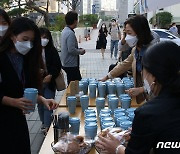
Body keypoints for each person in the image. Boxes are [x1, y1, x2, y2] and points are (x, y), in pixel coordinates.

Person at [96, 41, 180, 154]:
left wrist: (117, 148)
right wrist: (142, 134)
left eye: (143, 71)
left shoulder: (148, 114)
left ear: (153, 76)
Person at [0, 17, 59, 154]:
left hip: (18, 120)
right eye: (25, 39)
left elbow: (26, 89)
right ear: (12, 36)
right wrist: (13, 102)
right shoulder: (2, 57)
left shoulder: (26, 58)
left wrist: (42, 99)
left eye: (32, 41)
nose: (29, 45)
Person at [101, 15, 154, 104]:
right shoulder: (135, 50)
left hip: (156, 99)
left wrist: (141, 89)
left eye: (129, 33)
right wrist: (107, 77)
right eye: (125, 33)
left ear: (140, 32)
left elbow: (161, 81)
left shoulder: (153, 52)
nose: (126, 38)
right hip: (147, 97)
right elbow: (124, 64)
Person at [38, 27, 62, 135]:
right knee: (40, 104)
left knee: (48, 103)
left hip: (50, 82)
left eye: (46, 37)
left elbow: (57, 65)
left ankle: (47, 126)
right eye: (41, 37)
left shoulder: (52, 50)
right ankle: (44, 123)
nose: (44, 40)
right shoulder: (33, 51)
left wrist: (51, 75)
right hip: (37, 83)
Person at [61, 11, 86, 85]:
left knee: (72, 83)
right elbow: (71, 50)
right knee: (75, 84)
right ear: (75, 21)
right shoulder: (70, 33)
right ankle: (72, 96)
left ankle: (71, 96)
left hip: (66, 62)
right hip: (71, 64)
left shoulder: (64, 31)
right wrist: (81, 51)